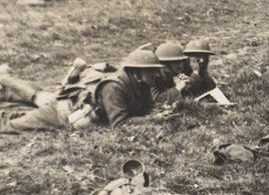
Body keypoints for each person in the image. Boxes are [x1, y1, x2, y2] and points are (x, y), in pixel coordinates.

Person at [0, 48, 161, 132]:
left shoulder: (142, 84)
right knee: (14, 126)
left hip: (73, 110)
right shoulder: (114, 86)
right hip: (61, 112)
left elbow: (145, 109)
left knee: (19, 116)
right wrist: (154, 119)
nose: (156, 74)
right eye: (151, 70)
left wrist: (157, 115)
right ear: (135, 71)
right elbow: (120, 123)